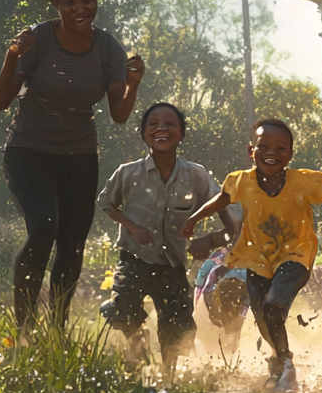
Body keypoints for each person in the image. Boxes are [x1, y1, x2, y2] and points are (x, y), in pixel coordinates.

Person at [0, 0, 145, 333]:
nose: (80, 9)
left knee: (73, 244)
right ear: (55, 4)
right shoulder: (38, 40)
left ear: (96, 1)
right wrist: (12, 56)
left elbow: (119, 114)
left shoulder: (108, 48)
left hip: (78, 156)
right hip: (29, 151)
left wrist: (134, 84)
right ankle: (25, 330)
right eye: (70, 2)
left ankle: (56, 332)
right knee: (44, 226)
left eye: (87, 0)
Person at [183, 118, 322, 393]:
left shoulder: (304, 181)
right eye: (263, 146)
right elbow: (222, 198)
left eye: (280, 148)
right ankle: (279, 360)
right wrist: (195, 218)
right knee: (262, 314)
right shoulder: (240, 181)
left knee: (274, 305)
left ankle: (286, 364)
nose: (272, 153)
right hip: (256, 257)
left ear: (290, 153)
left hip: (296, 255)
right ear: (250, 150)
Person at [97, 102, 240, 375]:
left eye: (170, 124)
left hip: (173, 264)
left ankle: (169, 377)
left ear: (182, 135)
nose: (161, 128)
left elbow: (230, 222)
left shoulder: (196, 175)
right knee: (123, 309)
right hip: (134, 258)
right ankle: (136, 340)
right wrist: (131, 226)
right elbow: (106, 204)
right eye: (153, 124)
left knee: (176, 325)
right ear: (143, 134)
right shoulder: (128, 173)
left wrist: (209, 240)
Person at [194, 248, 251, 355]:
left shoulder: (246, 281)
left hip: (237, 288)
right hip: (216, 288)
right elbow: (200, 283)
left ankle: (229, 352)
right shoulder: (213, 267)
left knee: (233, 325)